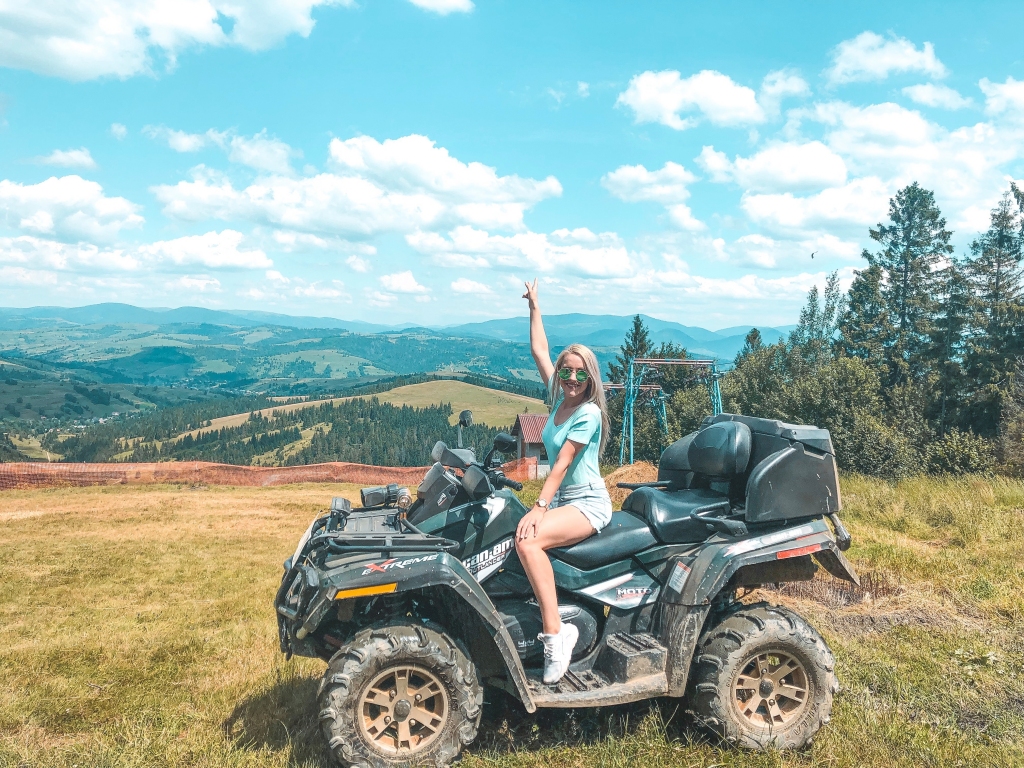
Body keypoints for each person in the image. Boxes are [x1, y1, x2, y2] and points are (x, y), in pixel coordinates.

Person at [516, 278, 613, 684]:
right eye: (566, 371)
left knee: (528, 539)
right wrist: (535, 306)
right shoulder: (558, 398)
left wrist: (539, 507)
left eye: (580, 374)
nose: (572, 379)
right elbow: (540, 349)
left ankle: (556, 638)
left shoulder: (587, 412)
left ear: (591, 379)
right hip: (563, 500)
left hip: (586, 501)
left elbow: (561, 464)